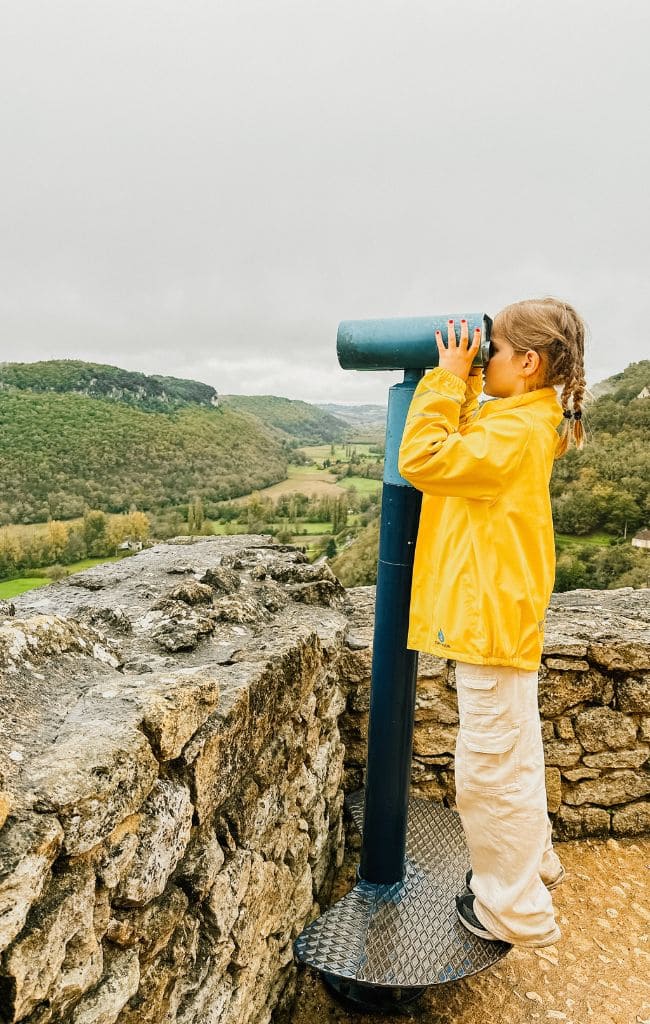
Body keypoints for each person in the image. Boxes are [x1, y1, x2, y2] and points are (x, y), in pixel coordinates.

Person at [397, 297, 587, 948]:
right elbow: (480, 429)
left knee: (491, 772)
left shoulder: (514, 432)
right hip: (500, 614)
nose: (484, 357)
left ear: (528, 362)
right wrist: (476, 379)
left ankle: (513, 910)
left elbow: (420, 458)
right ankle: (534, 866)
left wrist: (448, 377)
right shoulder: (527, 418)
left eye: (494, 350)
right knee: (515, 755)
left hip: (492, 622)